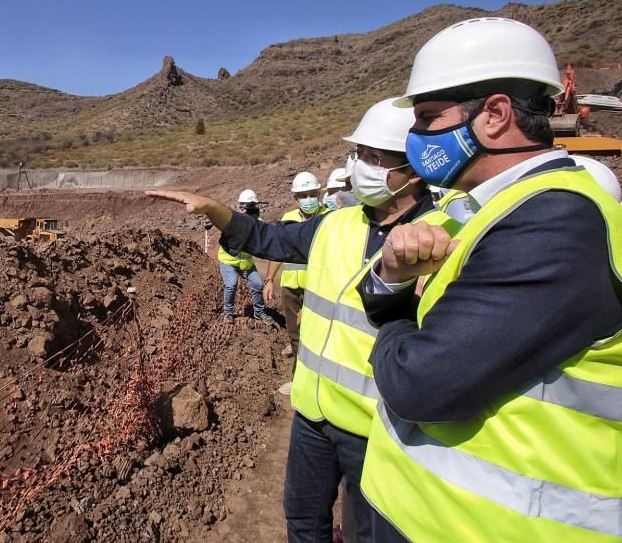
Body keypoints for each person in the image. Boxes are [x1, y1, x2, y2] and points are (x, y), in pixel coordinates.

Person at [356, 17, 622, 542]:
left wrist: (396, 317)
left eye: (429, 117)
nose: (416, 137)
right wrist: (391, 277)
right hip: (421, 511)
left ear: (495, 115)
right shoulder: (471, 209)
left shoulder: (559, 222)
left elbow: (417, 385)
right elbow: (382, 293)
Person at [148, 98, 459, 543]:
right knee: (303, 519)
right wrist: (214, 209)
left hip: (376, 426)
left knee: (369, 531)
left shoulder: (440, 235)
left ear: (412, 171)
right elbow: (265, 238)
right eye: (359, 155)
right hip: (312, 413)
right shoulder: (334, 225)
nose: (361, 167)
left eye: (375, 158)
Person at [263, 171, 331, 397]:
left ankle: (323, 382)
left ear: (319, 194)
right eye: (303, 195)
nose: (309, 199)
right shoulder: (288, 217)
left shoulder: (330, 217)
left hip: (320, 288)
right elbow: (278, 251)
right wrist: (270, 279)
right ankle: (299, 379)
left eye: (312, 194)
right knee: (296, 335)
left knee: (321, 335)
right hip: (292, 287)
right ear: (295, 198)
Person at [216, 189, 275, 326]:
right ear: (240, 207)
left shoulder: (258, 222)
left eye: (252, 206)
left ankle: (259, 312)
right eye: (247, 206)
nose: (249, 209)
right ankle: (228, 313)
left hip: (246, 263)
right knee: (231, 285)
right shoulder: (231, 220)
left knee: (258, 284)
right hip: (228, 261)